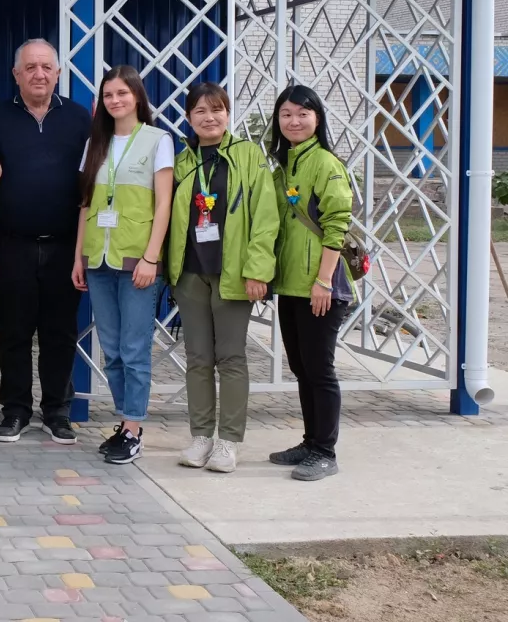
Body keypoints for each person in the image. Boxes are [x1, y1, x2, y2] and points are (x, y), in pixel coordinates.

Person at [0, 38, 91, 446]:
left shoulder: (80, 119)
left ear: (58, 73)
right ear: (16, 74)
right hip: (12, 243)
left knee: (60, 334)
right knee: (15, 334)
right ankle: (15, 410)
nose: (39, 74)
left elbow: (93, 187)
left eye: (46, 67)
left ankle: (57, 411)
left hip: (65, 247)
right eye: (30, 67)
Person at [166, 83, 279, 473]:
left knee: (231, 358)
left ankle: (229, 441)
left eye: (216, 109)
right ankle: (201, 437)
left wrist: (258, 270)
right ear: (188, 117)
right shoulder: (183, 161)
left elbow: (265, 217)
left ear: (228, 114)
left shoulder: (247, 156)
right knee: (197, 359)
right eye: (199, 111)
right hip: (191, 273)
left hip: (234, 275)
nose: (208, 117)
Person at [72, 65, 174, 465]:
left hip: (137, 260)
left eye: (122, 93)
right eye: (108, 94)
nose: (115, 100)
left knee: (134, 349)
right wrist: (78, 257)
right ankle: (125, 422)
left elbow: (164, 203)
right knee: (111, 349)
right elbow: (85, 205)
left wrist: (151, 256)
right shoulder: (94, 143)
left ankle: (133, 429)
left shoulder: (157, 140)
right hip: (98, 258)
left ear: (137, 96)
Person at [266, 84, 353, 482]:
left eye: (302, 113)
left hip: (321, 286)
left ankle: (325, 451)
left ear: (317, 118)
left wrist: (323, 281)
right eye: (286, 114)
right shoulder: (285, 167)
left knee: (320, 369)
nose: (294, 121)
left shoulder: (325, 164)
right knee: (302, 367)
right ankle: (310, 441)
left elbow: (336, 225)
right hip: (292, 285)